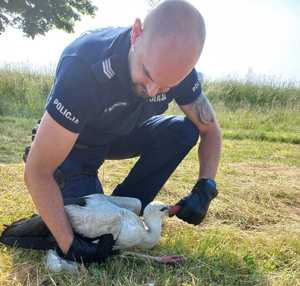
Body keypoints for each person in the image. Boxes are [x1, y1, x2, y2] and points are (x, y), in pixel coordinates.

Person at [24, 0, 222, 265]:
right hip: (74, 143)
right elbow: (37, 171)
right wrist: (69, 245)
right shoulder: (83, 66)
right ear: (136, 33)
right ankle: (86, 215)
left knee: (183, 131)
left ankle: (128, 209)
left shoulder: (178, 71)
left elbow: (210, 129)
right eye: (147, 74)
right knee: (89, 234)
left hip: (121, 132)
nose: (153, 91)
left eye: (167, 86)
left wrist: (205, 187)